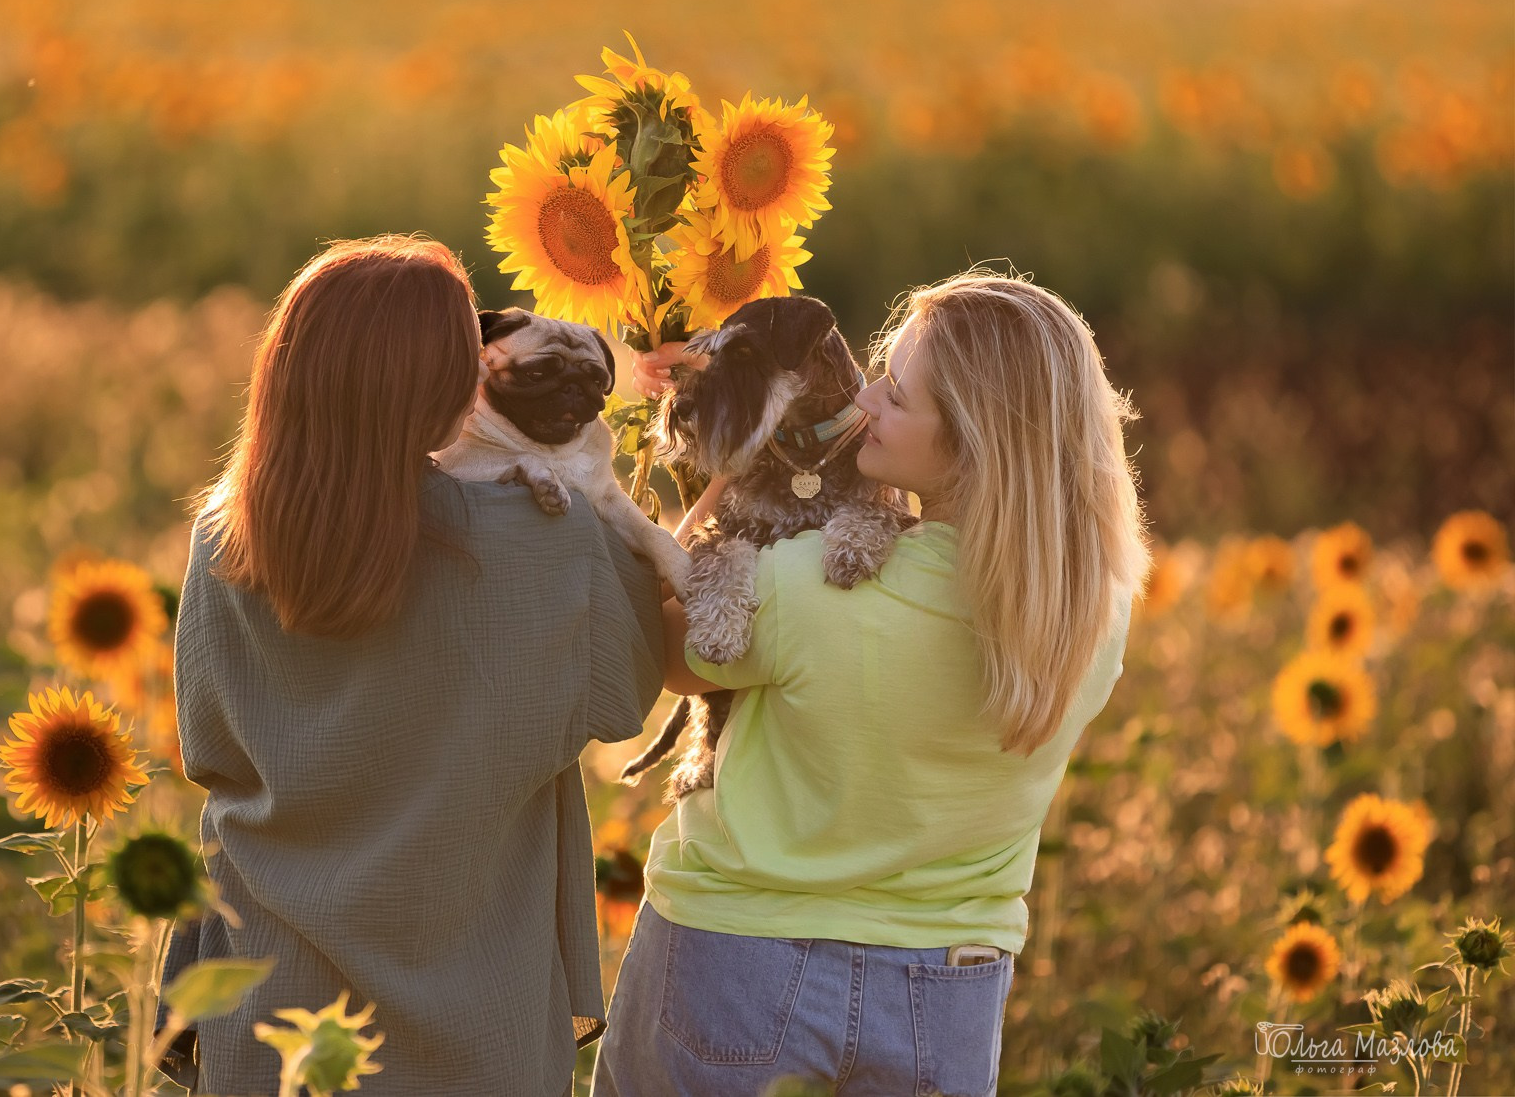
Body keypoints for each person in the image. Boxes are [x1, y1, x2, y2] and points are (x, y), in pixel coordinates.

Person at [594, 269, 1150, 1097]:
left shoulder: (811, 584)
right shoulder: (1091, 608)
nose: (864, 398)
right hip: (949, 994)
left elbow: (645, 648)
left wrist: (717, 461)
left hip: (737, 963)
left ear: (970, 439)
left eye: (896, 392)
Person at [158, 235, 666, 1097]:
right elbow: (633, 687)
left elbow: (207, 746)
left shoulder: (223, 535)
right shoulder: (532, 537)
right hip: (480, 1010)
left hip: (270, 1003)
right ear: (435, 385)